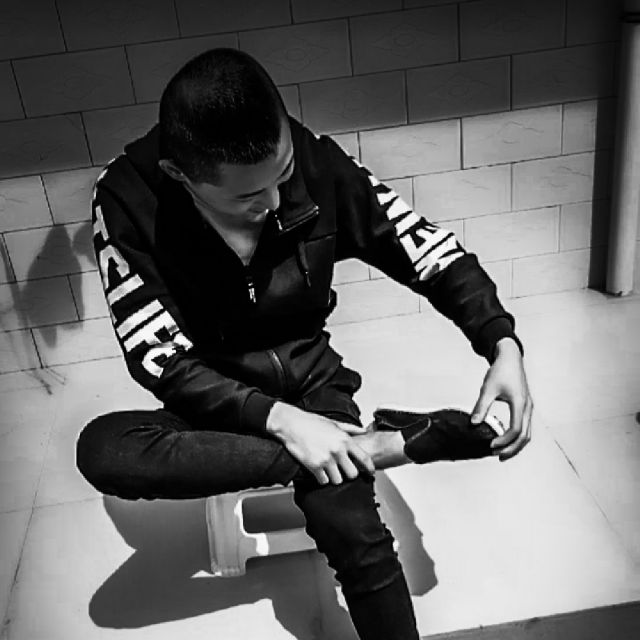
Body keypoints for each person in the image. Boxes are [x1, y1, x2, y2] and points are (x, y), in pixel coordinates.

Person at [76, 48, 533, 640]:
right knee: (104, 452)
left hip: (312, 377)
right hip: (214, 394)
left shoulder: (315, 161)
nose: (274, 202)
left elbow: (425, 249)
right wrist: (285, 425)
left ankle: (345, 450)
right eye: (246, 197)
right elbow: (156, 355)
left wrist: (501, 341)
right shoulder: (127, 197)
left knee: (354, 531)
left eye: (282, 175)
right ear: (180, 175)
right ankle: (379, 447)